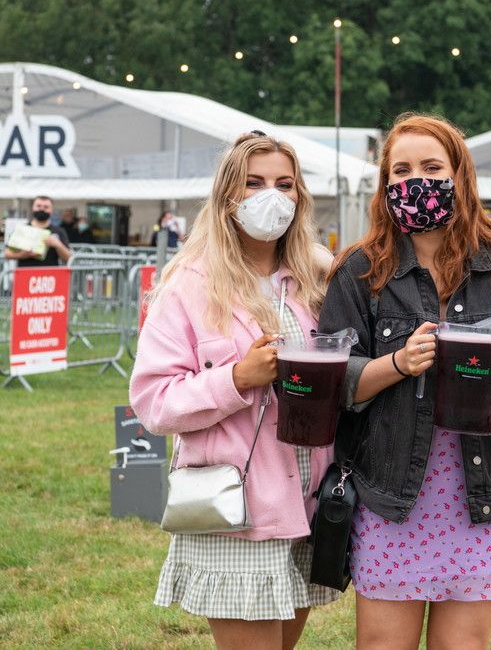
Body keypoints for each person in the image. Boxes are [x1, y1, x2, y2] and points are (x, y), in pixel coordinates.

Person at [318, 113, 491, 649]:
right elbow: (335, 381)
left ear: (459, 176)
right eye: (401, 171)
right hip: (390, 497)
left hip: (482, 496)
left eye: (431, 168)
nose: (415, 181)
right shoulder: (359, 271)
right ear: (385, 184)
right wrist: (397, 363)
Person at [129, 131, 339, 649]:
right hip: (238, 508)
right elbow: (154, 402)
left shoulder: (313, 279)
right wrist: (236, 378)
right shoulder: (190, 285)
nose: (272, 196)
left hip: (309, 501)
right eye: (254, 183)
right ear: (228, 196)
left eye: (285, 184)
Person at [4, 196, 72, 266]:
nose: (42, 209)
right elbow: (7, 254)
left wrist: (58, 245)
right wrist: (22, 255)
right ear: (32, 208)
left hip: (50, 272)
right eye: (38, 206)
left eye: (46, 207)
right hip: (25, 272)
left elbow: (68, 258)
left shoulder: (59, 231)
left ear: (51, 210)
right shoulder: (22, 229)